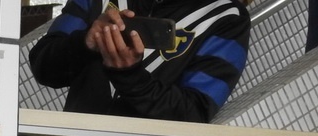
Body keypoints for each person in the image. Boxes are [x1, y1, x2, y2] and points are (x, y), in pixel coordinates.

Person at [28, 0, 250, 123]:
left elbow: (194, 114)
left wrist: (131, 77)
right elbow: (43, 67)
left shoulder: (226, 16)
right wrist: (86, 42)